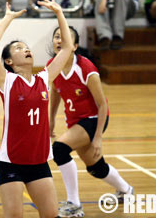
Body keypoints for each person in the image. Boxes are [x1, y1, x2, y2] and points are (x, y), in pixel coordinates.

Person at [0, 0, 74, 218]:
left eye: (26, 47)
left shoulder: (44, 79)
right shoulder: (6, 81)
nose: (26, 50)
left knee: (51, 215)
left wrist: (59, 14)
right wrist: (7, 18)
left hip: (38, 161)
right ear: (9, 61)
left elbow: (68, 48)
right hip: (11, 162)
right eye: (18, 48)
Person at [47, 26, 134, 218]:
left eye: (65, 38)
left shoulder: (86, 68)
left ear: (75, 46)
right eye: (56, 37)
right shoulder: (52, 65)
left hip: (94, 119)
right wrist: (51, 118)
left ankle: (74, 204)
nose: (59, 40)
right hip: (76, 121)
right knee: (95, 167)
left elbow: (102, 105)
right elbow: (55, 91)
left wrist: (98, 139)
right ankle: (126, 190)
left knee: (59, 150)